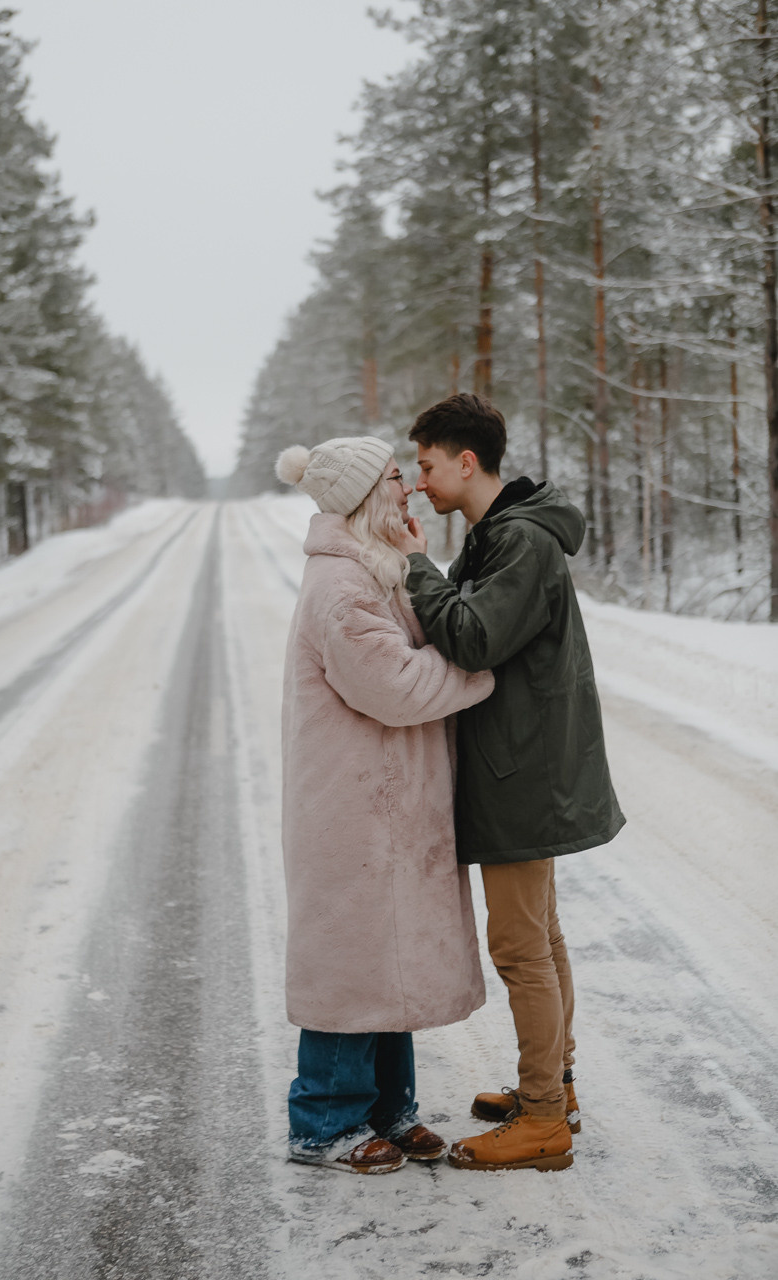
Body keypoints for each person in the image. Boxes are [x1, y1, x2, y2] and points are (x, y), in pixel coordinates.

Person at [397, 393, 625, 1174]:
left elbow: (471, 637)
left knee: (520, 947)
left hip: (521, 771)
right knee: (543, 937)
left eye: (425, 466)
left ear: (465, 461)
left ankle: (540, 1122)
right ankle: (550, 1087)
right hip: (522, 764)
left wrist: (411, 564)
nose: (418, 482)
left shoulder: (518, 542)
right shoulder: (500, 535)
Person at [275, 435, 495, 1174]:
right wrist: (477, 673)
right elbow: (396, 688)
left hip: (386, 804)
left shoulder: (373, 568)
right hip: (352, 805)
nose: (408, 490)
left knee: (386, 960)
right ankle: (322, 1122)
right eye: (396, 479)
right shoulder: (340, 588)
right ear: (368, 493)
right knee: (351, 961)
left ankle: (387, 1110)